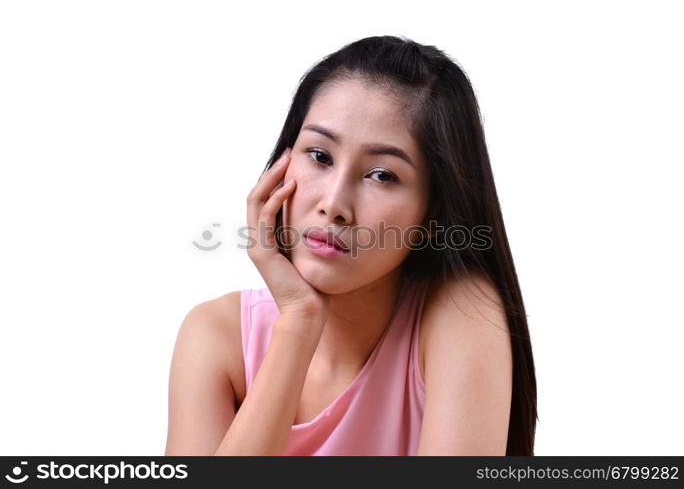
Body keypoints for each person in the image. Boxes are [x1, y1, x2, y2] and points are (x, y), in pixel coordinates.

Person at [164, 35, 537, 456]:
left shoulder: (459, 314)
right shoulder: (216, 336)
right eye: (320, 156)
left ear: (432, 215)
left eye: (382, 175)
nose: (334, 204)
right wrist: (299, 322)